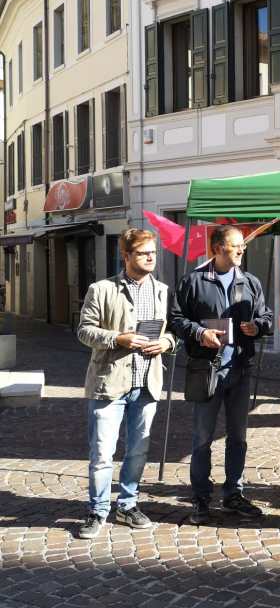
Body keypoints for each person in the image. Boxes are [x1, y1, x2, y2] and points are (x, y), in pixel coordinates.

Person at [169, 225, 273, 525]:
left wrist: (257, 327)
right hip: (206, 371)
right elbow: (175, 319)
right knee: (202, 439)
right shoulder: (194, 281)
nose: (242, 249)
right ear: (217, 248)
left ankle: (233, 495)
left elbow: (266, 317)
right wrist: (199, 332)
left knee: (238, 438)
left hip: (240, 370)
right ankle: (201, 499)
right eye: (236, 245)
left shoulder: (249, 282)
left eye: (243, 245)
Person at [76, 228, 175, 539]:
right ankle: (98, 509)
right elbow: (84, 331)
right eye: (143, 253)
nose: (150, 258)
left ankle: (128, 504)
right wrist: (118, 338)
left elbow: (172, 330)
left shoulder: (162, 290)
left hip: (146, 383)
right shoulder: (102, 289)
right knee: (102, 453)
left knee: (137, 451)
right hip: (109, 384)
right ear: (126, 256)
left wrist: (167, 343)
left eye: (153, 253)